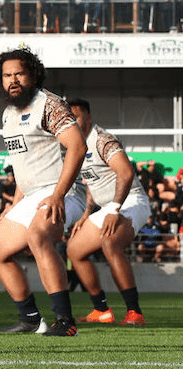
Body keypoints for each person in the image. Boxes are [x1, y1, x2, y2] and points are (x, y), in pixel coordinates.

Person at [0, 48, 87, 337]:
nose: (12, 80)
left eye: (19, 73)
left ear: (33, 75)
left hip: (63, 192)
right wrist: (14, 205)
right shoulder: (8, 114)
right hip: (31, 196)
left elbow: (78, 147)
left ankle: (65, 322)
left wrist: (57, 195)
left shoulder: (50, 105)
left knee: (38, 236)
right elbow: (24, 166)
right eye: (6, 75)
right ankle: (30, 318)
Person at [66, 98, 149, 326]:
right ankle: (101, 310)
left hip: (131, 201)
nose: (72, 120)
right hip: (106, 207)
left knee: (110, 243)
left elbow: (125, 173)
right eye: (68, 117)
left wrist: (113, 209)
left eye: (76, 116)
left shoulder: (103, 139)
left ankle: (134, 313)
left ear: (88, 117)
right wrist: (85, 215)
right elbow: (92, 183)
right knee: (74, 250)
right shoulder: (77, 146)